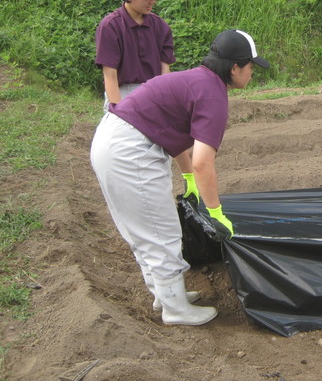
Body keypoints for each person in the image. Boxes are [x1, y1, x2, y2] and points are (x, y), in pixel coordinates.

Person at [90, 29, 270, 326]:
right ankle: (175, 309)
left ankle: (167, 295)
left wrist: (187, 177)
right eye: (251, 67)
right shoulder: (213, 93)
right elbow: (203, 162)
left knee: (145, 229)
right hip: (129, 151)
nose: (253, 73)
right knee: (160, 231)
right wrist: (215, 212)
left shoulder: (198, 80)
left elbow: (176, 135)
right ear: (234, 68)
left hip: (115, 140)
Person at [95, 0, 175, 111]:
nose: (152, 1)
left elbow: (165, 72)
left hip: (154, 93)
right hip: (122, 94)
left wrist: (165, 102)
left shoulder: (160, 26)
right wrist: (118, 110)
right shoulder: (111, 27)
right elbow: (110, 76)